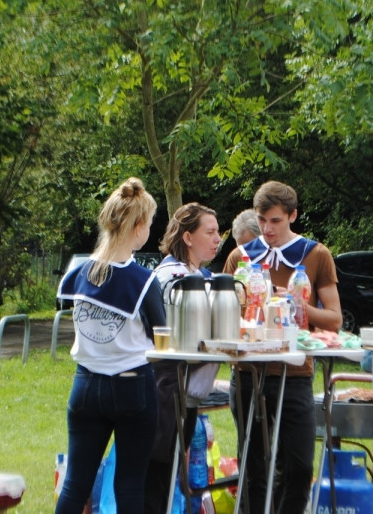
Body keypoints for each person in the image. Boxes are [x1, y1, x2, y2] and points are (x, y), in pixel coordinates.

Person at [223, 181, 342, 514]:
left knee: (299, 466)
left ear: (293, 216)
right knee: (253, 466)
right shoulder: (240, 257)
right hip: (247, 371)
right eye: (262, 220)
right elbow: (224, 317)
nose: (267, 228)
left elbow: (334, 319)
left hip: (294, 372)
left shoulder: (315, 254)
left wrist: (295, 304)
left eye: (275, 220)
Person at [55, 177, 165, 514]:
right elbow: (162, 337)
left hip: (85, 385)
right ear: (138, 227)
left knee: (75, 485)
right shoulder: (144, 281)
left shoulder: (75, 274)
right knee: (129, 487)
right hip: (132, 386)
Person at [146, 202, 222, 514]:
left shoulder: (198, 274)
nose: (218, 238)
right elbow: (181, 339)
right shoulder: (173, 277)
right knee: (158, 471)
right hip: (166, 389)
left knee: (172, 468)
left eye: (218, 232)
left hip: (185, 392)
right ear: (187, 237)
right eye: (210, 232)